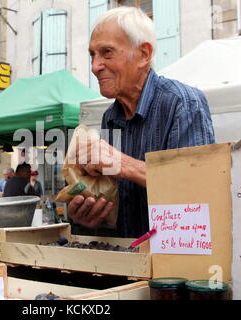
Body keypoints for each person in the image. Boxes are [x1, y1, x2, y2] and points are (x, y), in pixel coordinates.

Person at [67, 7, 215, 238]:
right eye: (92, 55)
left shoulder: (182, 102)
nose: (95, 66)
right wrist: (90, 216)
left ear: (144, 54)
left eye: (107, 52)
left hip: (173, 267)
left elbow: (198, 191)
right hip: (126, 264)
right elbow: (120, 203)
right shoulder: (111, 116)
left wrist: (124, 165)